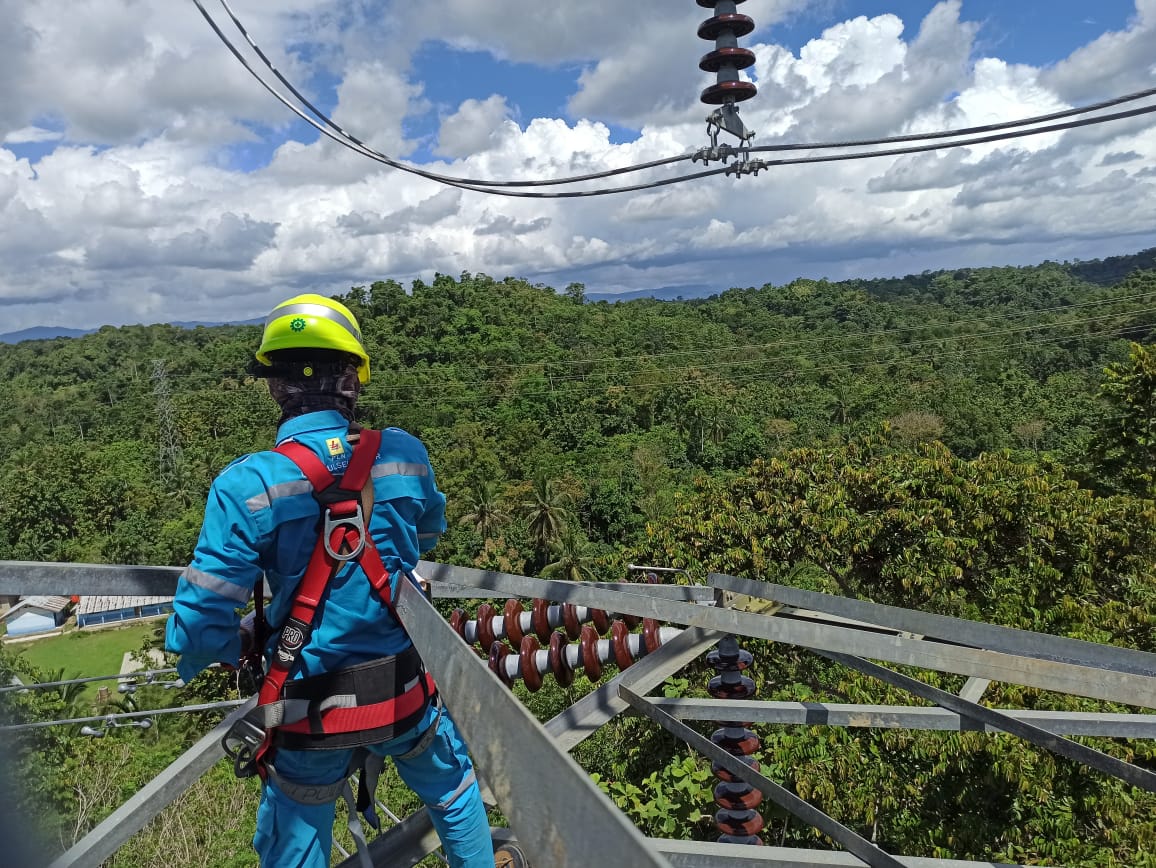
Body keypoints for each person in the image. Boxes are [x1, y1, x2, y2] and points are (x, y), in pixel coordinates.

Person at [166, 293, 493, 868]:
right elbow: (430, 531)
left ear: (275, 387)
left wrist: (231, 646)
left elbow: (197, 623)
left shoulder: (250, 485)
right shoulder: (403, 455)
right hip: (402, 689)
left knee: (296, 836)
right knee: (454, 792)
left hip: (309, 708)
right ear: (354, 381)